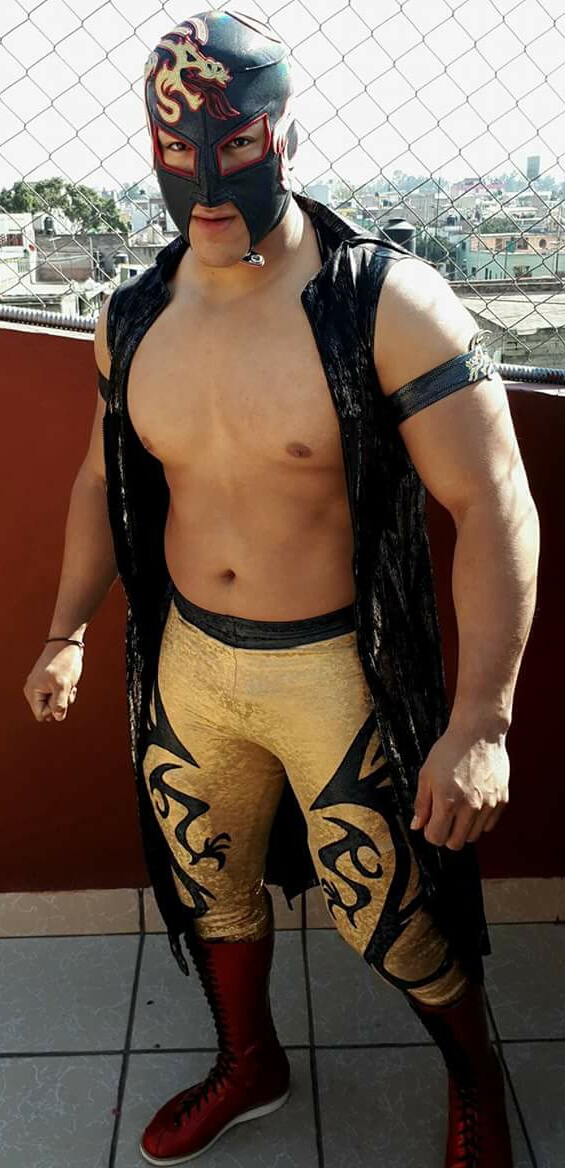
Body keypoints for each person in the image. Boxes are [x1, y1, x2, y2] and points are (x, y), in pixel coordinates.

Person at [23, 10, 540, 1167]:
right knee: (206, 880)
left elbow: (494, 500)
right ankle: (248, 1061)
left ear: (283, 135)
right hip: (191, 663)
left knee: (394, 914)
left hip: (338, 671)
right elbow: (99, 478)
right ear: (150, 151)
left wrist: (480, 721)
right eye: (179, 150)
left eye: (236, 145)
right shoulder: (132, 316)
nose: (207, 181)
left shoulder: (383, 304)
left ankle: (475, 1083)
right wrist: (65, 629)